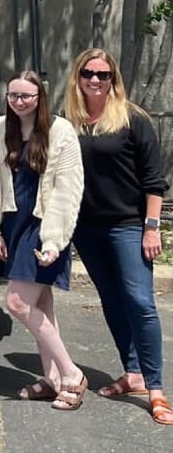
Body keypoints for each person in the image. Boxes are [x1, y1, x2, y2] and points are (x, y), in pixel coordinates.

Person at [62, 47, 171, 425]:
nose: (95, 80)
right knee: (111, 299)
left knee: (140, 301)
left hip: (128, 225)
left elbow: (154, 180)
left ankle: (156, 390)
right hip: (86, 229)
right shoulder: (69, 121)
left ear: (114, 79)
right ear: (78, 77)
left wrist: (151, 227)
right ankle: (133, 372)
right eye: (88, 73)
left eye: (103, 75)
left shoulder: (133, 119)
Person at [0, 71, 86, 409]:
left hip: (43, 227)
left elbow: (68, 191)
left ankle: (72, 375)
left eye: (26, 96)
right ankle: (51, 379)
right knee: (41, 304)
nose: (19, 101)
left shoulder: (60, 131)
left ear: (40, 97)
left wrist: (55, 240)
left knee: (17, 302)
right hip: (13, 224)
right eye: (13, 95)